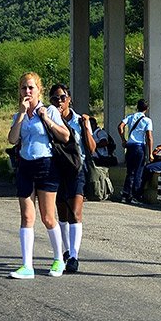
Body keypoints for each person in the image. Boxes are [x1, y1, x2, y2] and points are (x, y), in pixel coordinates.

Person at [6, 72, 71, 279]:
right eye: (24, 88)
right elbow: (12, 139)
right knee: (27, 216)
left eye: (31, 88)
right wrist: (22, 114)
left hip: (46, 165)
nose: (27, 91)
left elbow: (65, 135)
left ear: (39, 90)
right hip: (25, 165)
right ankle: (27, 266)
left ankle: (59, 259)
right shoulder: (19, 115)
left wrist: (46, 119)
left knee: (48, 217)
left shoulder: (50, 110)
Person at [50, 84, 95, 273]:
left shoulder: (79, 120)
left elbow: (91, 149)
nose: (59, 101)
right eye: (55, 98)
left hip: (77, 170)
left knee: (75, 213)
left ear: (69, 99)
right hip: (57, 169)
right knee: (62, 213)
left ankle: (74, 256)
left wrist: (86, 127)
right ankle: (67, 251)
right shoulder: (49, 119)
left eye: (62, 97)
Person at [118, 99, 153, 203]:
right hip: (139, 146)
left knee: (130, 171)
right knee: (138, 171)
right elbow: (149, 137)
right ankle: (135, 196)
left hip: (130, 146)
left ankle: (126, 194)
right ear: (146, 109)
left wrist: (123, 139)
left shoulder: (130, 117)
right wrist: (150, 153)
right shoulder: (147, 120)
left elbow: (120, 126)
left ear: (137, 107)